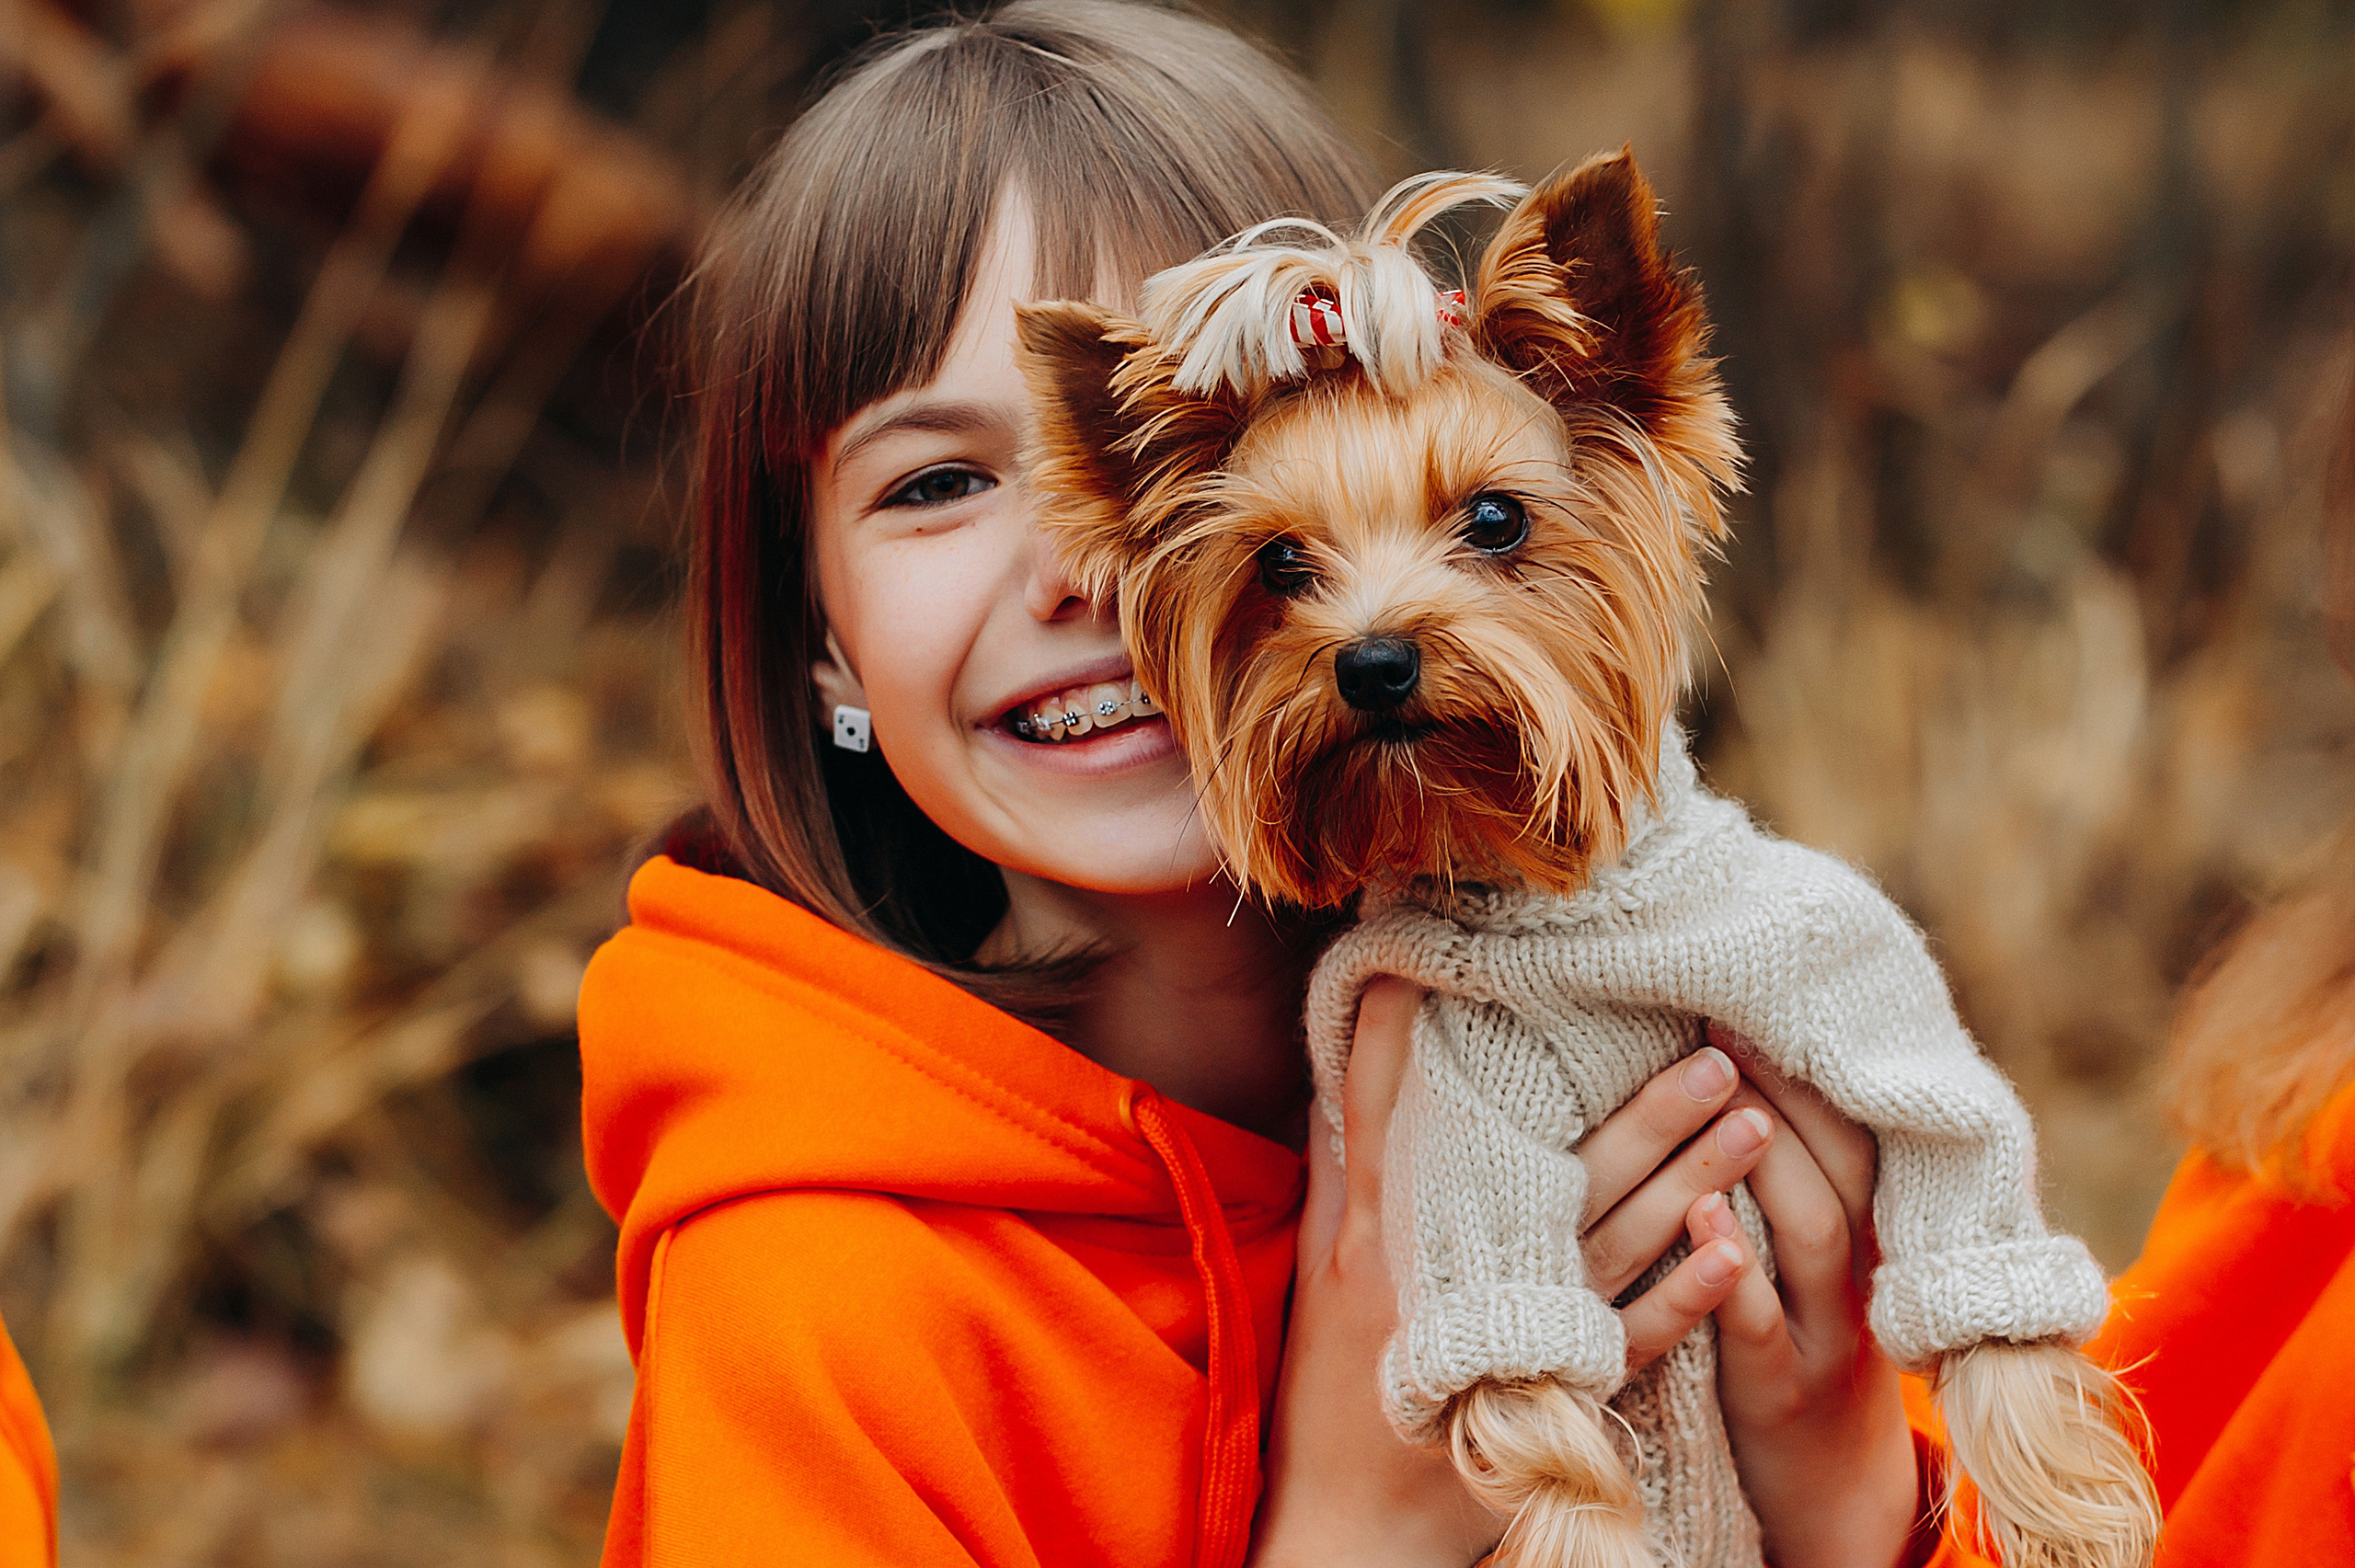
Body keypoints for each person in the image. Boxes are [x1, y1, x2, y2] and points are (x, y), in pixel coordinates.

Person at [577, 6, 1930, 1564]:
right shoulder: (814, 1306)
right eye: (937, 481)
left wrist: (1846, 1498)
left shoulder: (1681, 1085)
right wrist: (1354, 1526)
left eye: (1197, 448)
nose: (1089, 561)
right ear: (816, 636)